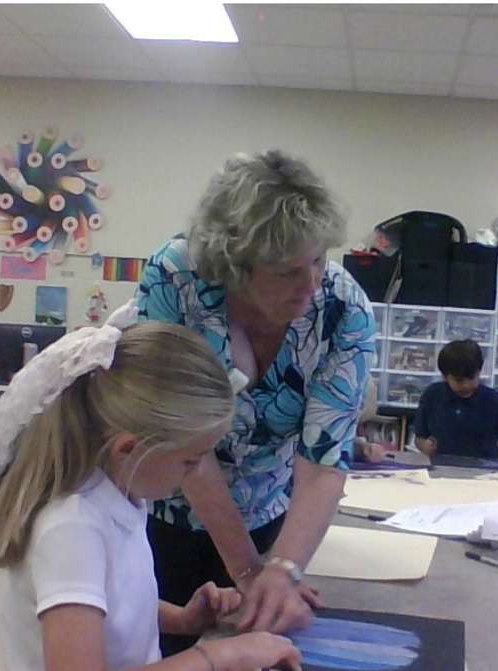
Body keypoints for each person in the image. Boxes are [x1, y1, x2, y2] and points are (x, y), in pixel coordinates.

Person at [136, 149, 375, 653]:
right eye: (287, 271)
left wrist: (283, 568)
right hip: (167, 515)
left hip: (269, 513)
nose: (310, 284)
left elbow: (324, 460)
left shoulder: (343, 308)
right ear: (234, 266)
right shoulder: (175, 280)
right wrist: (246, 568)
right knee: (163, 651)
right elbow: (184, 448)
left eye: (318, 259)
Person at [0, 301, 301, 671]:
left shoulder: (120, 494)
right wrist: (219, 656)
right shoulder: (73, 529)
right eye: (190, 460)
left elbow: (107, 603)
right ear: (130, 449)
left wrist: (181, 620)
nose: (195, 473)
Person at [414, 339, 498, 459]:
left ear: (479, 371)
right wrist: (425, 447)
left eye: (472, 378)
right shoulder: (432, 395)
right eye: (459, 380)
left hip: (484, 472)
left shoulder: (492, 400)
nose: (466, 385)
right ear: (445, 376)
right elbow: (419, 438)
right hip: (440, 469)